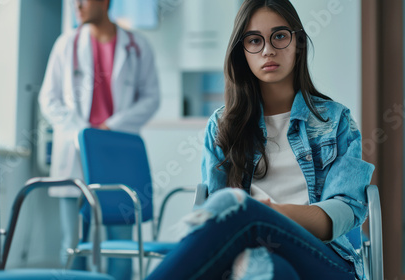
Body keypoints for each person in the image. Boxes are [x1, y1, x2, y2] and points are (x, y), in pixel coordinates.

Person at [146, 0, 374, 279]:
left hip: (325, 260)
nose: (268, 50)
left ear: (298, 42)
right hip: (252, 256)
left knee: (237, 209)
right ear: (242, 52)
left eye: (279, 36)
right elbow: (218, 220)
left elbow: (343, 211)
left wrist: (268, 214)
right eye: (254, 40)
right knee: (266, 268)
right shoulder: (221, 126)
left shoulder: (335, 121)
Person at [38, 0, 159, 279]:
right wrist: (83, 131)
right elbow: (48, 98)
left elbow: (151, 97)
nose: (76, 5)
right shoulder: (65, 44)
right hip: (75, 152)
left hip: (117, 153)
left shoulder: (137, 46)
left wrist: (110, 127)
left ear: (104, 2)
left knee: (122, 248)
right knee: (73, 246)